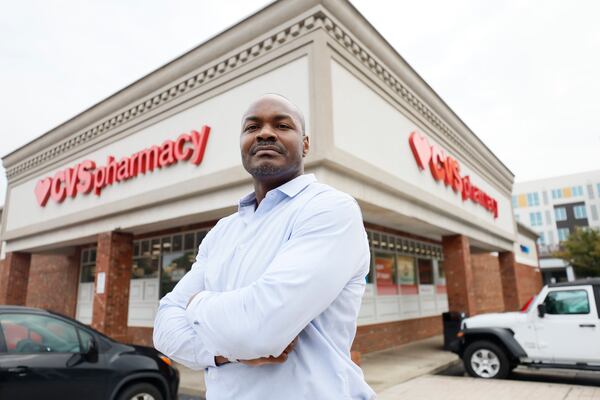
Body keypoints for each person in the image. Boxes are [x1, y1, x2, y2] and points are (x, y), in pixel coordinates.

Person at [153, 94, 375, 399]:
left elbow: (259, 330)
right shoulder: (223, 231)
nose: (265, 133)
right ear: (242, 143)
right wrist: (227, 353)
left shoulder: (329, 209)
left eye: (282, 125)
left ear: (306, 144)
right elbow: (164, 328)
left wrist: (194, 304)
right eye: (252, 127)